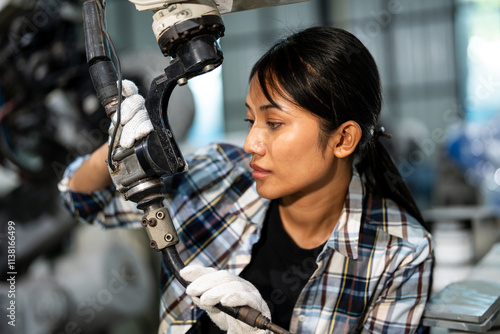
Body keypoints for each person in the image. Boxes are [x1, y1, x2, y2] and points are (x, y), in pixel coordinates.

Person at [59, 26, 433, 334]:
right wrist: (115, 149)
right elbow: (83, 202)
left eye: (274, 123)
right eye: (250, 120)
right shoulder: (218, 173)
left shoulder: (399, 253)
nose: (252, 142)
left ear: (343, 139)